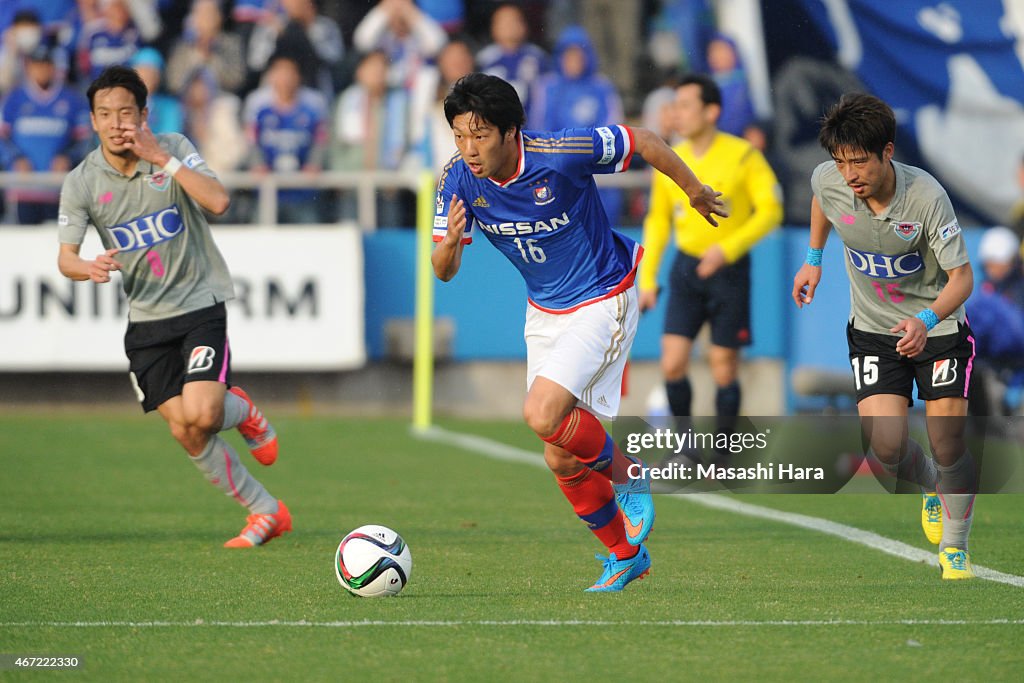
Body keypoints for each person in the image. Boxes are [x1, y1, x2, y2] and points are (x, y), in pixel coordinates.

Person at [432, 73, 726, 591]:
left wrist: (695, 190)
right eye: (459, 134)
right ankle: (624, 554)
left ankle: (632, 476)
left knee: (540, 414)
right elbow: (443, 271)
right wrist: (451, 244)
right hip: (544, 313)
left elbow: (646, 141)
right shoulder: (456, 180)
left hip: (603, 296)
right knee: (559, 452)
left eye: (479, 134)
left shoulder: (560, 152)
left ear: (511, 131)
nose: (469, 148)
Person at [56, 65, 290, 548]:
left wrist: (162, 157)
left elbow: (219, 201)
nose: (116, 122)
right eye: (105, 114)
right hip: (146, 321)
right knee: (185, 429)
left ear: (144, 115)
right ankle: (266, 511)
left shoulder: (174, 148)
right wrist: (88, 268)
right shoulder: (81, 182)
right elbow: (65, 259)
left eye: (126, 112)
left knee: (203, 414)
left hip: (200, 303)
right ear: (93, 122)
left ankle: (242, 409)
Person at [792, 93, 978, 579]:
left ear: (887, 152)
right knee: (887, 451)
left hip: (938, 331)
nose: (849, 174)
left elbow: (963, 279)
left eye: (859, 161)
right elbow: (822, 200)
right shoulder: (828, 180)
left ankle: (955, 549)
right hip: (874, 331)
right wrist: (813, 261)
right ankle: (932, 484)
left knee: (948, 442)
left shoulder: (927, 198)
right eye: (841, 161)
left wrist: (926, 322)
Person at [639, 73, 781, 457]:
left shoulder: (743, 155)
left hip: (729, 271)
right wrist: (647, 277)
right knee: (672, 362)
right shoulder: (670, 158)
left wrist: (727, 249)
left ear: (711, 110)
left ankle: (723, 451)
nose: (676, 114)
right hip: (685, 269)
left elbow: (770, 210)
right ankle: (685, 449)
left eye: (685, 105)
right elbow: (657, 220)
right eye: (674, 106)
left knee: (723, 365)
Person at [0, 41, 90, 224]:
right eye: (36, 64)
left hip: (58, 188)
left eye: (46, 64)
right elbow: (3, 137)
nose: (41, 69)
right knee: (21, 243)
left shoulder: (72, 99)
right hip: (22, 188)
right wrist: (16, 158)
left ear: (53, 67)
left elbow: (83, 139)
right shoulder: (14, 98)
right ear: (29, 67)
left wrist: (67, 156)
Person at [243, 53, 329, 225]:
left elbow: (321, 138)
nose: (285, 78)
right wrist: (256, 163)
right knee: (261, 238)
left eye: (290, 73)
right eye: (280, 72)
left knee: (309, 238)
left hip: (302, 191)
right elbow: (250, 139)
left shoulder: (313, 106)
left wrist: (314, 163)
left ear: (298, 77)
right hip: (268, 190)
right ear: (271, 76)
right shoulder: (259, 107)